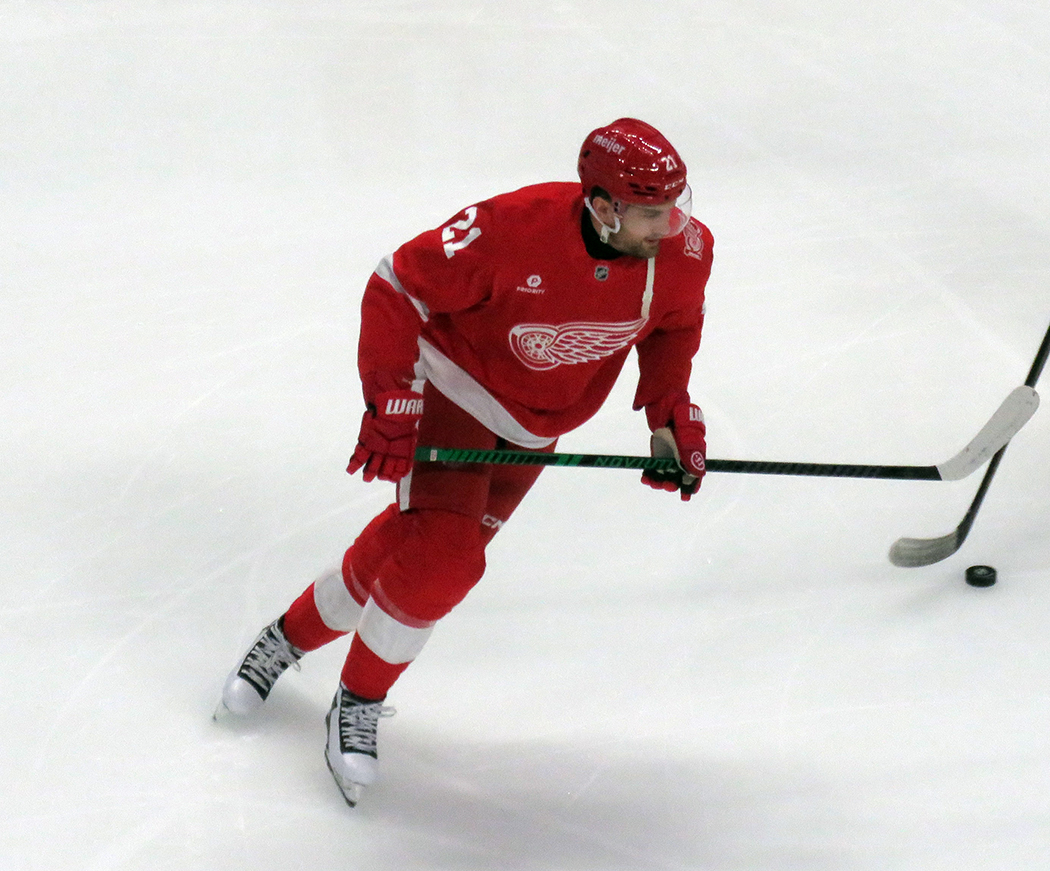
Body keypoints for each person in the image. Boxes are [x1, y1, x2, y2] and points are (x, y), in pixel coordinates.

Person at [216, 118, 714, 807]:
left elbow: (674, 324)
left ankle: (283, 637)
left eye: (677, 205)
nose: (674, 225)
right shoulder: (512, 228)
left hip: (538, 426)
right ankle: (356, 702)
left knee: (417, 553)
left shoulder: (684, 251)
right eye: (654, 212)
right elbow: (397, 284)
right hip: (456, 390)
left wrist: (668, 412)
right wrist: (391, 396)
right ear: (602, 206)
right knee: (446, 559)